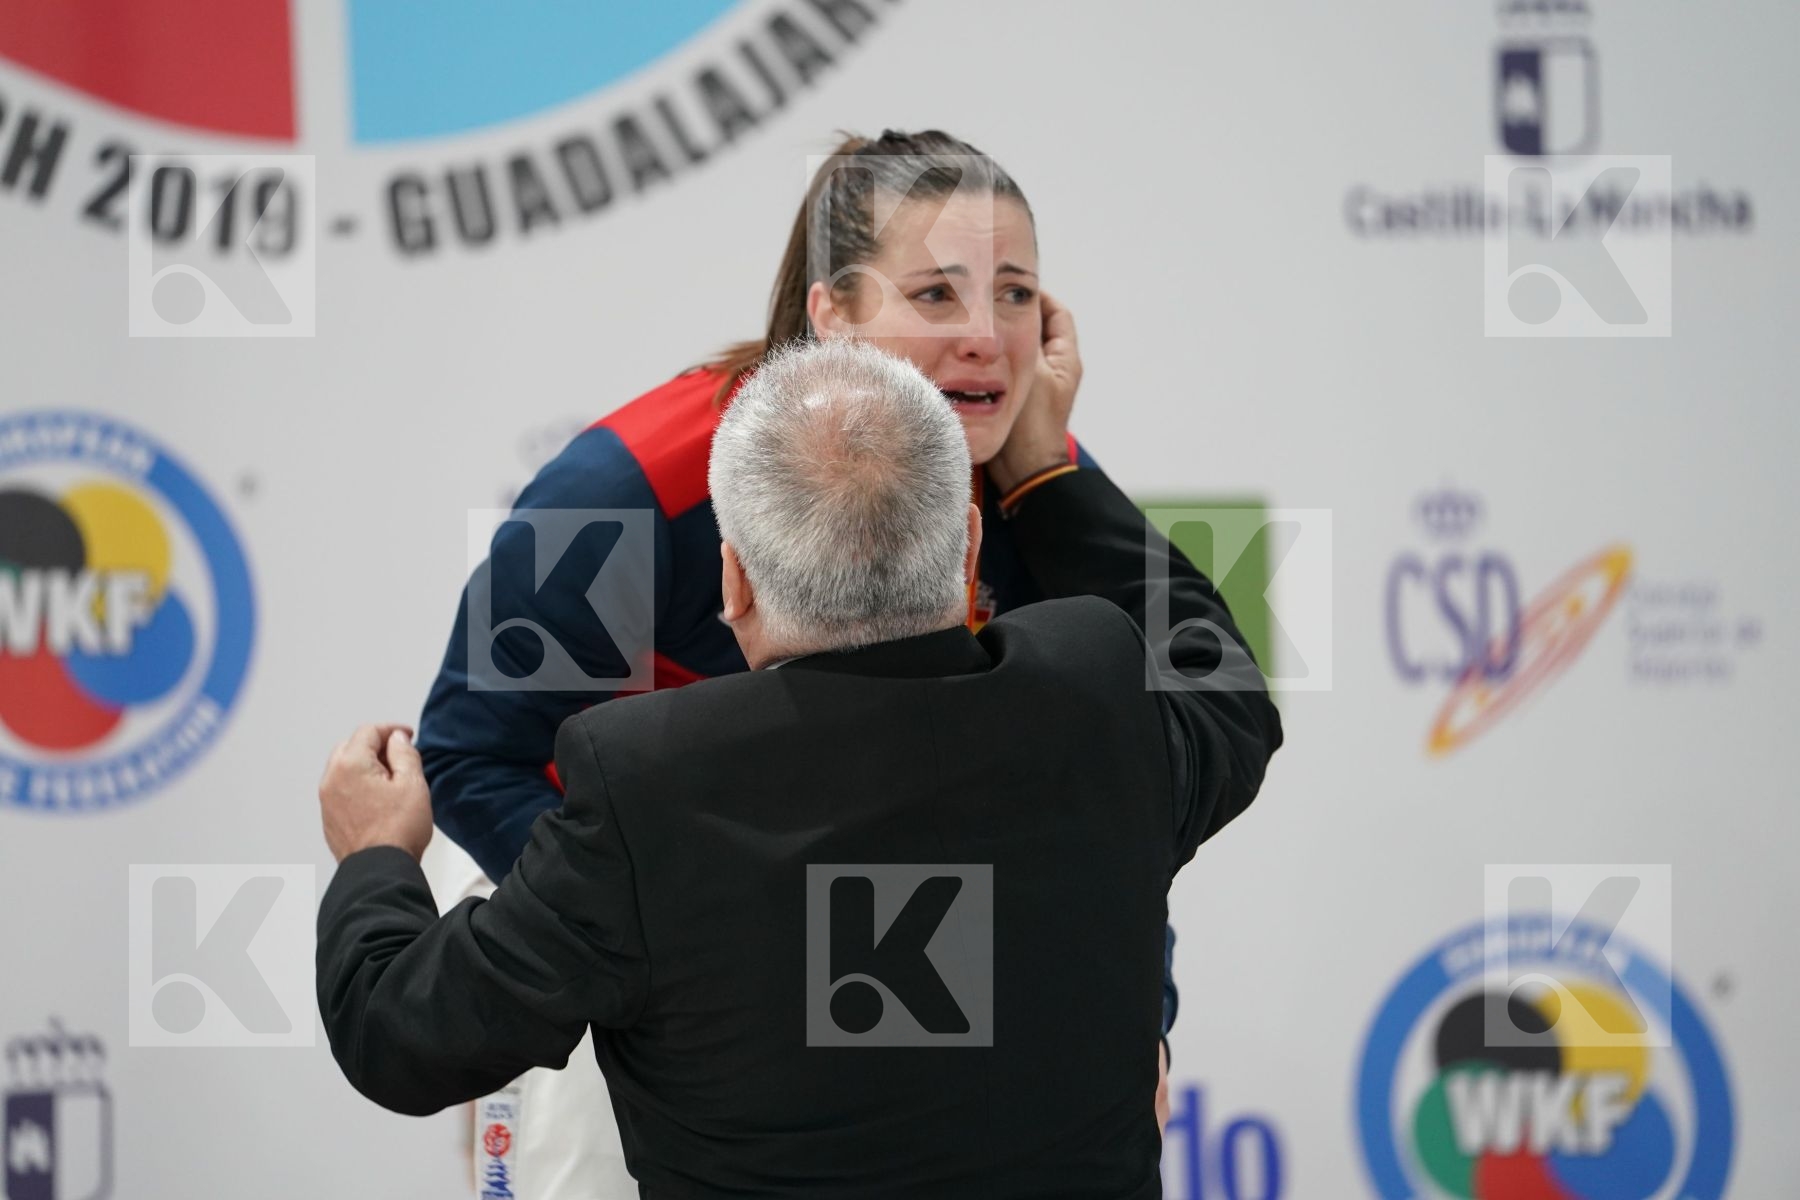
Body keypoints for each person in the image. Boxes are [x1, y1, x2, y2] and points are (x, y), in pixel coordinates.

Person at [317, 338, 1282, 1199]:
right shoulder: (1096, 692)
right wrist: (1043, 471)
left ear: (731, 581)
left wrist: (376, 859)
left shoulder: (643, 789)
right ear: (970, 551)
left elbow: (399, 1036)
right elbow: (1221, 675)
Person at [416, 129, 1180, 1191]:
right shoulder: (628, 487)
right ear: (833, 313)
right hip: (612, 897)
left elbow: (1108, 785)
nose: (986, 339)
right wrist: (666, 930)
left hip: (890, 900)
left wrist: (1143, 1017)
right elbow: (467, 750)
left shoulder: (1044, 485)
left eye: (1016, 296)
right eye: (936, 294)